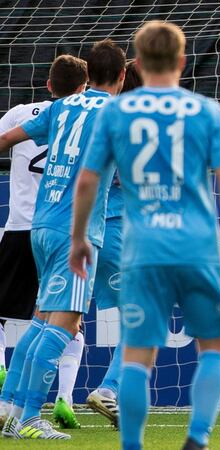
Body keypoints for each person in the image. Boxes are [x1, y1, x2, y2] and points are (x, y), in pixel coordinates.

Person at [69, 21, 220, 450]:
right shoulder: (206, 111)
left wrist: (79, 238)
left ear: (137, 63)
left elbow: (86, 182)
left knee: (137, 353)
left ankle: (132, 445)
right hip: (196, 246)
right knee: (217, 342)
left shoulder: (116, 112)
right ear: (183, 61)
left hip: (142, 246)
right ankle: (198, 437)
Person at [0, 40, 126, 440]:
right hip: (78, 232)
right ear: (122, 77)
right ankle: (32, 417)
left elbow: (6, 139)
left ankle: (9, 408)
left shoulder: (61, 106)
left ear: (88, 74)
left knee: (41, 322)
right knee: (65, 325)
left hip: (38, 226)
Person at [0, 55, 89, 432]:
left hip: (21, 227)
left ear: (49, 85)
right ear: (84, 89)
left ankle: (6, 381)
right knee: (67, 321)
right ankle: (63, 398)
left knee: (8, 314)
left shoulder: (19, 114)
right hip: (63, 227)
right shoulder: (84, 120)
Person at [85, 59, 143, 428]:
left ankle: (15, 404)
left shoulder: (87, 114)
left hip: (77, 229)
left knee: (56, 319)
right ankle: (109, 389)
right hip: (113, 228)